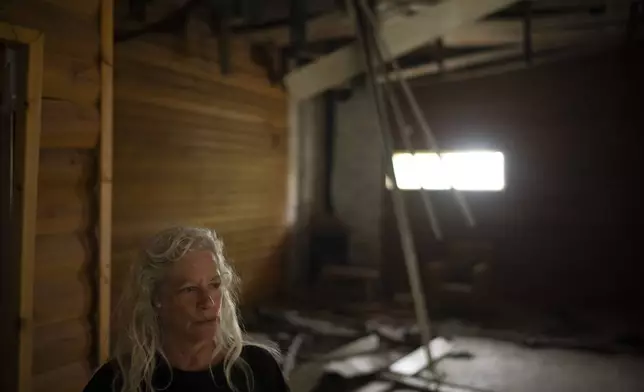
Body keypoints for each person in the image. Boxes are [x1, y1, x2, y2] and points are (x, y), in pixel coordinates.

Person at [83, 226, 289, 392]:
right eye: (189, 289)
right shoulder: (116, 382)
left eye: (215, 285)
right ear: (156, 300)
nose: (207, 302)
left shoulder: (258, 371)